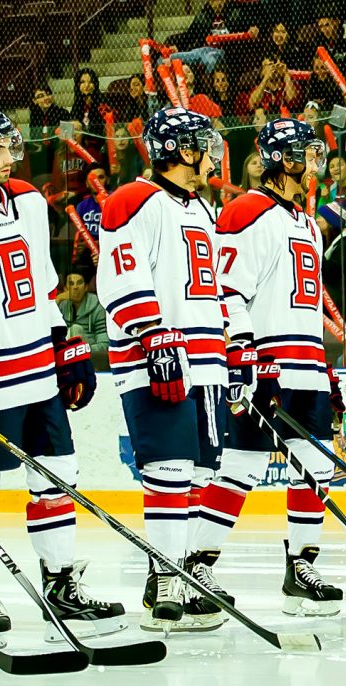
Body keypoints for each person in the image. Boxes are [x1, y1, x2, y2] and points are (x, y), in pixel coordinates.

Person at [191, 118, 345, 617]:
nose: (314, 162)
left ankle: (301, 567)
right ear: (283, 159)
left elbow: (306, 306)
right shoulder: (247, 211)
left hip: (307, 365)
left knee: (317, 468)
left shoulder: (305, 223)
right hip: (267, 362)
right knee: (243, 465)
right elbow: (226, 290)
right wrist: (243, 356)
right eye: (306, 153)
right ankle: (197, 564)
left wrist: (330, 374)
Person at [96, 107, 229, 632]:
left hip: (205, 360)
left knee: (200, 475)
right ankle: (166, 576)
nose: (208, 151)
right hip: (157, 356)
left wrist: (232, 348)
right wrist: (153, 335)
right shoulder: (134, 199)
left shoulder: (203, 209)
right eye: (199, 142)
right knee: (169, 473)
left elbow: (212, 290)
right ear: (175, 149)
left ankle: (185, 579)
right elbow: (122, 274)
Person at [0, 111, 123, 646]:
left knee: (56, 475)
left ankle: (61, 585)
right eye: (1, 146)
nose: (12, 154)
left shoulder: (24, 198)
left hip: (36, 375)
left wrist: (64, 346)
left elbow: (42, 287)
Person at [166, 0, 257, 74]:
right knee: (173, 57)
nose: (218, 3)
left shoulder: (235, 13)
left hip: (223, 51)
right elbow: (189, 35)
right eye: (214, 1)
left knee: (210, 61)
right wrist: (177, 45)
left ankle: (209, 87)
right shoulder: (203, 16)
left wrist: (253, 28)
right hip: (203, 49)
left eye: (221, 0)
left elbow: (249, 26)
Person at [58, 268, 109, 358]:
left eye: (79, 283)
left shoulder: (97, 308)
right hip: (66, 356)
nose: (75, 287)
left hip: (91, 357)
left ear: (86, 287)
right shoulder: (62, 306)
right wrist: (57, 300)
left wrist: (81, 350)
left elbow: (104, 344)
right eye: (71, 284)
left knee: (75, 329)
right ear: (65, 288)